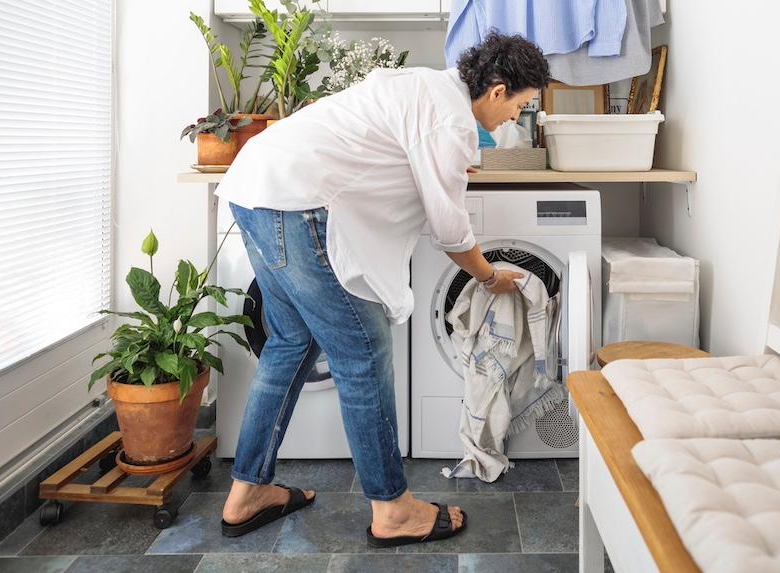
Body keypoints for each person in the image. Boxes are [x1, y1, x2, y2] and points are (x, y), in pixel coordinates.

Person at [213, 32, 550, 546]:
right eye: (520, 106)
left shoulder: (427, 86)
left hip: (254, 187)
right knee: (363, 355)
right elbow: (450, 230)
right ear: (498, 90)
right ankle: (391, 509)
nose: (512, 120)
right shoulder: (451, 118)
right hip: (298, 203)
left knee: (289, 344)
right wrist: (488, 276)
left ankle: (247, 492)